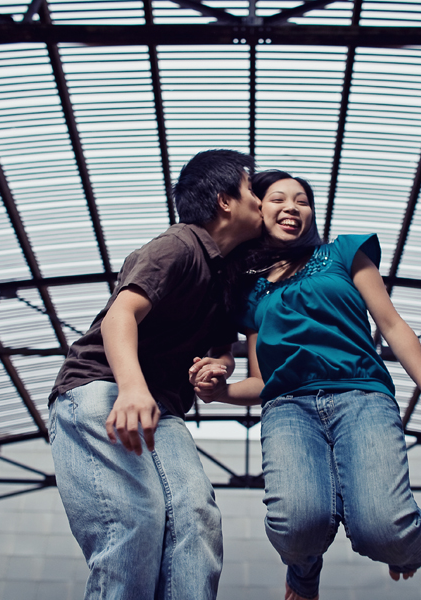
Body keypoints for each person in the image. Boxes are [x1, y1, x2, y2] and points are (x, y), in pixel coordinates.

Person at [189, 170, 421, 600]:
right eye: (277, 199)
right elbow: (261, 382)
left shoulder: (343, 253)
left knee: (385, 530)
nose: (292, 207)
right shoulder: (251, 292)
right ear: (258, 210)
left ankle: (408, 549)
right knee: (296, 528)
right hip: (288, 409)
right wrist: (219, 391)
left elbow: (391, 323)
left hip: (362, 397)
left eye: (302, 200)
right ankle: (303, 574)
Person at [48, 149, 262, 600]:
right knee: (133, 522)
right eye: (250, 189)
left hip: (161, 406)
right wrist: (130, 387)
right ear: (225, 200)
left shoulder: (227, 276)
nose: (261, 200)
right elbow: (119, 314)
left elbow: (223, 351)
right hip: (102, 388)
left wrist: (217, 370)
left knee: (196, 517)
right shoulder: (180, 244)